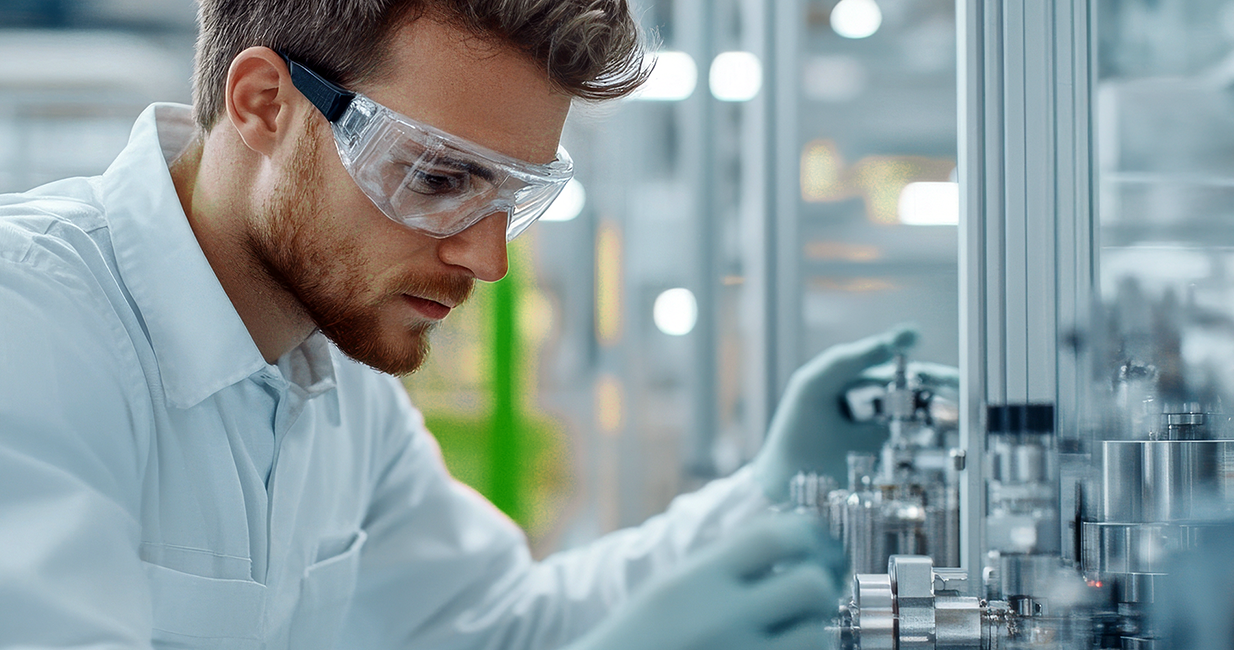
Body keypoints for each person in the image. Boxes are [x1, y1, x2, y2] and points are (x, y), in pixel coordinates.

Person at [0, 1, 914, 648]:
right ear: (264, 105)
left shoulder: (336, 381)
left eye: (514, 198)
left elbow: (503, 629)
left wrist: (772, 492)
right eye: (438, 179)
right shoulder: (33, 330)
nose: (488, 260)